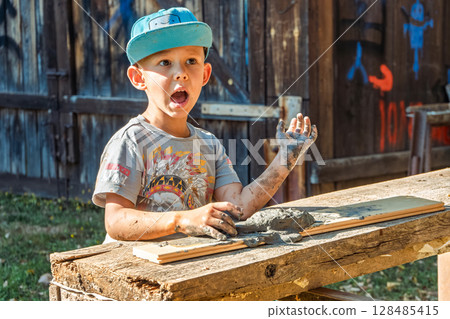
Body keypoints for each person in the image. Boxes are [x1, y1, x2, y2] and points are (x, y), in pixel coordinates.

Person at [92, 7, 318, 243]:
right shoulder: (130, 142)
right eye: (165, 62)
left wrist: (286, 158)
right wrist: (182, 220)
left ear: (205, 74)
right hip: (129, 270)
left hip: (188, 268)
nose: (181, 73)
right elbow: (116, 221)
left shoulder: (210, 145)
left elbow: (238, 206)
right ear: (138, 78)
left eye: (191, 61)